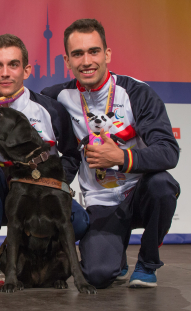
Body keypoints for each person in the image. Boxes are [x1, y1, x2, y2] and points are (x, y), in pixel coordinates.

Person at [41, 19, 180, 289]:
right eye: (77, 54)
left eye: (94, 51)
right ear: (67, 61)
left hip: (139, 194)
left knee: (163, 185)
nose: (86, 61)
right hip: (101, 201)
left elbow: (168, 152)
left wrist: (120, 158)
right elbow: (21, 102)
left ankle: (147, 263)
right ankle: (116, 256)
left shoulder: (137, 93)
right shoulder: (55, 96)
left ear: (107, 54)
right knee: (97, 276)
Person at [0, 34, 89, 290]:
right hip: (2, 199)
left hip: (43, 193)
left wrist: (52, 186)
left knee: (79, 222)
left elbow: (70, 155)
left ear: (26, 70)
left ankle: (48, 265)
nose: (5, 73)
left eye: (13, 65)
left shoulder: (50, 109)